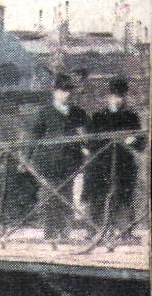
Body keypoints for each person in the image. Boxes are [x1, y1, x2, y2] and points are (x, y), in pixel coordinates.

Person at [27, 74, 89, 240]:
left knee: (67, 195)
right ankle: (50, 233)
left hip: (70, 161)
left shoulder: (78, 113)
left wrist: (87, 149)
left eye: (69, 91)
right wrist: (27, 158)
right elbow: (33, 137)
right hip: (49, 161)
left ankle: (64, 233)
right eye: (62, 91)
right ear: (54, 92)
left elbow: (85, 136)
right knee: (49, 196)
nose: (67, 94)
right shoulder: (44, 112)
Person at [83, 76, 144, 235]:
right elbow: (91, 142)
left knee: (124, 196)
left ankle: (124, 231)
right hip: (102, 163)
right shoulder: (98, 117)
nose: (118, 100)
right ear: (108, 97)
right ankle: (96, 231)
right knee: (98, 196)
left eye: (121, 96)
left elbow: (140, 143)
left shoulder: (131, 117)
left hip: (123, 164)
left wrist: (132, 140)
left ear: (125, 97)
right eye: (115, 96)